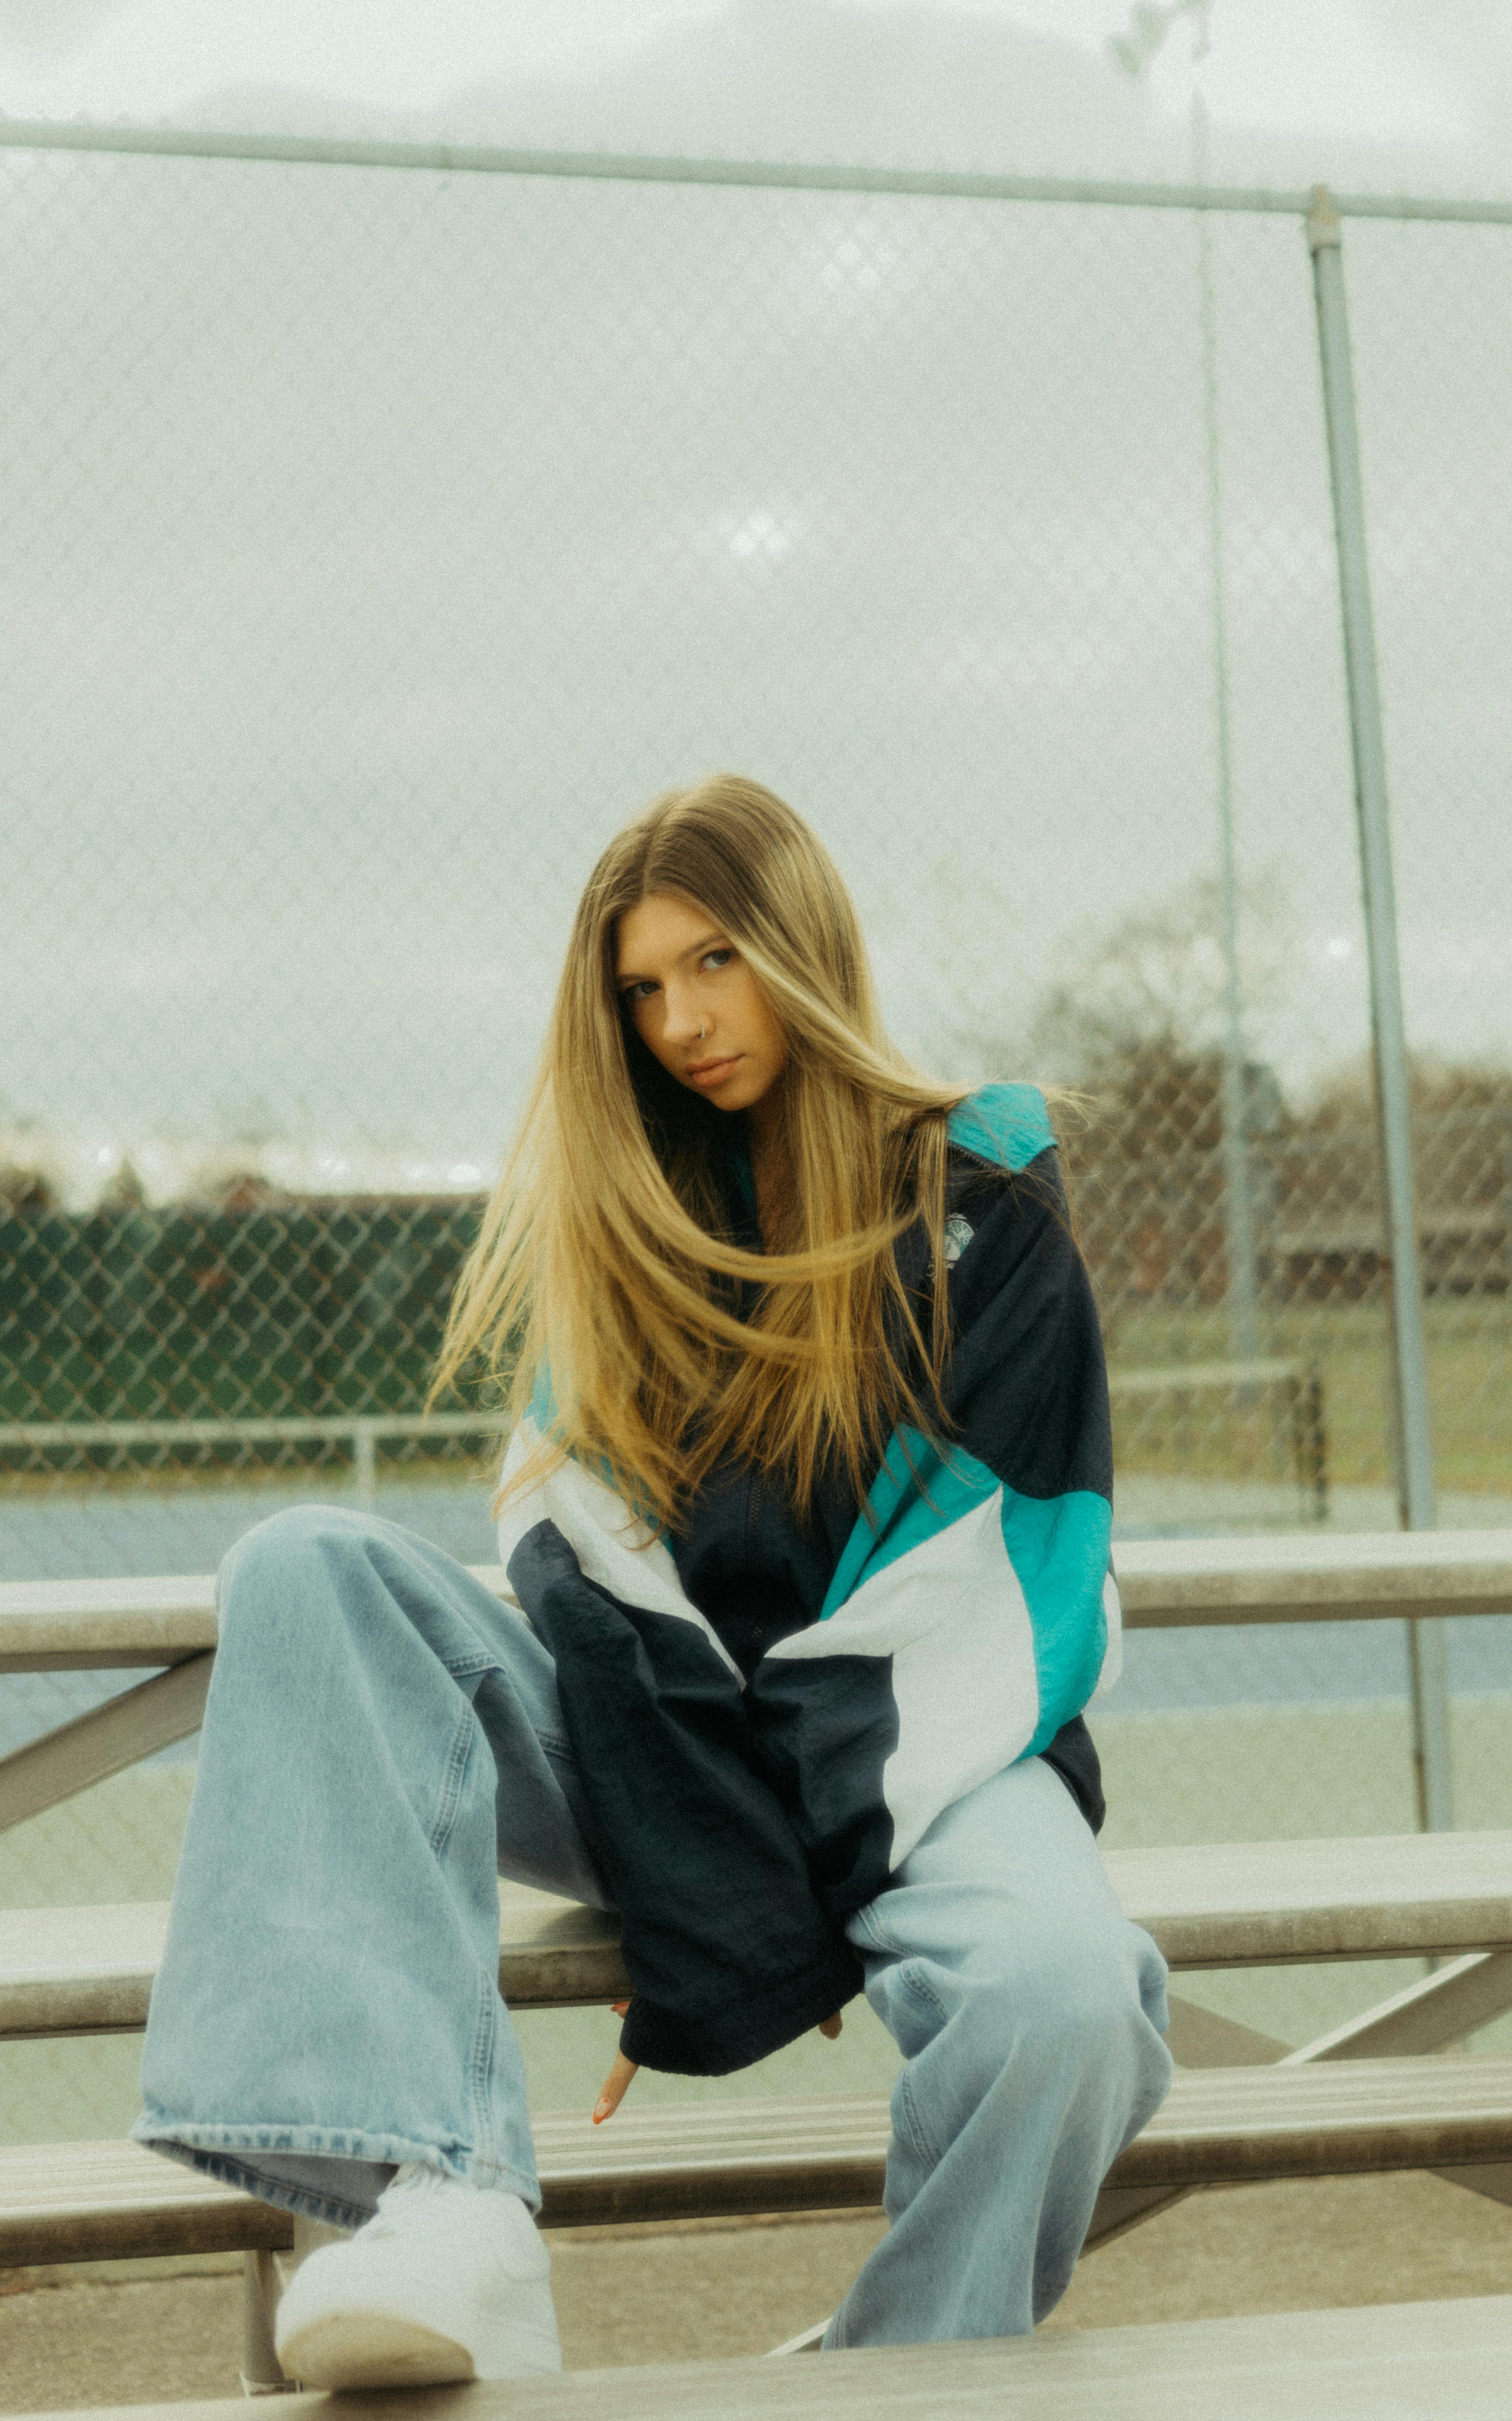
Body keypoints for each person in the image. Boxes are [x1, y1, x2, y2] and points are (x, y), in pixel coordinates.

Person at [135, 774, 1172, 2389]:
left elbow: (992, 1553)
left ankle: (905, 2376)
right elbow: (587, 1576)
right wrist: (717, 1890)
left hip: (938, 1742)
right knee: (304, 1569)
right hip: (659, 1742)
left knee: (1067, 1997)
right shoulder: (623, 1220)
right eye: (640, 987)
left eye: (714, 963)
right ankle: (446, 2202)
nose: (680, 1020)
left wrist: (753, 1904)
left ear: (800, 948)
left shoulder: (982, 1183)